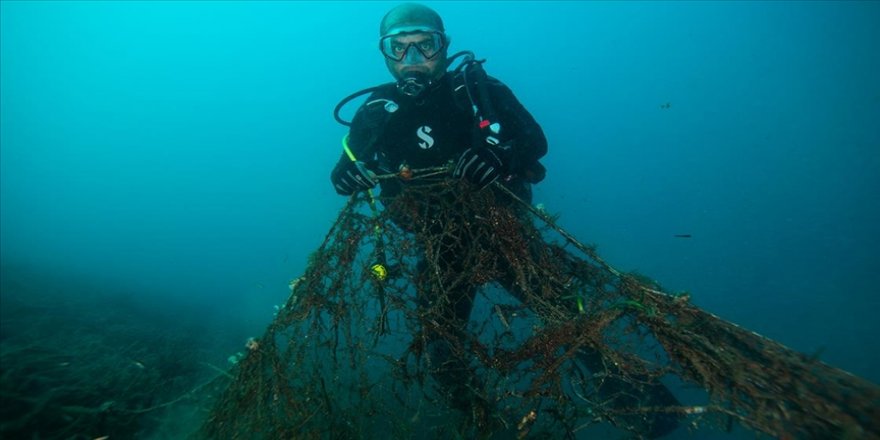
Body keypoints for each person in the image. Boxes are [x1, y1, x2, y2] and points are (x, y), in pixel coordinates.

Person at [329, 3, 679, 437]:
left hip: (504, 233)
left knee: (569, 321)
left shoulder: (479, 91)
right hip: (440, 247)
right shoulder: (375, 110)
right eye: (398, 48)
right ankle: (485, 427)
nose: (412, 58)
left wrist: (499, 156)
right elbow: (349, 162)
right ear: (384, 54)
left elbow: (535, 141)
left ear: (444, 46)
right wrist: (343, 176)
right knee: (440, 346)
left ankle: (650, 415)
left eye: (425, 45)